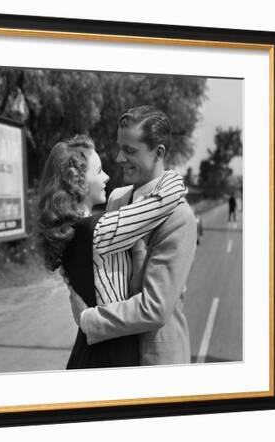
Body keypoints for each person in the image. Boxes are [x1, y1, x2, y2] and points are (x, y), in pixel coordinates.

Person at [36, 134, 186, 369]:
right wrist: (169, 174)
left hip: (90, 351)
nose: (106, 177)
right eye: (99, 172)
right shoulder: (98, 230)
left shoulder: (69, 231)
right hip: (111, 357)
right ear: (77, 179)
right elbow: (163, 201)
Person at [68, 106, 198, 366]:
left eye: (129, 150)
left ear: (158, 152)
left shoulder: (179, 217)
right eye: (119, 147)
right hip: (112, 353)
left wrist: (89, 319)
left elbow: (155, 308)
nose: (118, 158)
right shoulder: (116, 198)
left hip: (154, 360)